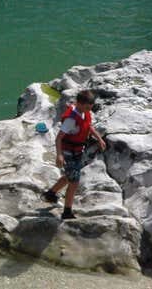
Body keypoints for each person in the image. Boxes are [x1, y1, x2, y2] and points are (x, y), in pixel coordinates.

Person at [41, 89, 107, 220]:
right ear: (80, 104)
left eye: (91, 107)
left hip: (77, 151)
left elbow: (88, 126)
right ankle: (67, 212)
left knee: (69, 176)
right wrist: (59, 155)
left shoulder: (84, 113)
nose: (89, 110)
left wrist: (99, 138)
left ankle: (50, 194)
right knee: (74, 182)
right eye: (87, 107)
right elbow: (59, 138)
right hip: (68, 152)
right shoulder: (71, 119)